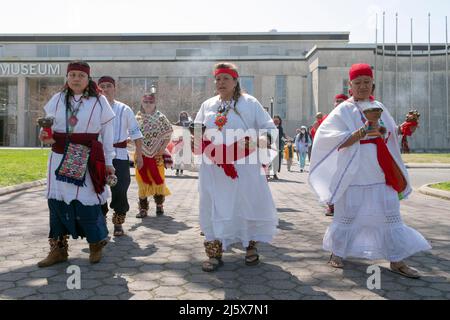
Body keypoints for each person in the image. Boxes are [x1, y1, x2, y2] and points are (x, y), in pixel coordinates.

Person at [309, 63, 431, 278]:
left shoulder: (379, 106)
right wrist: (362, 132)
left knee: (390, 215)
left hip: (380, 173)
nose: (363, 86)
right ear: (351, 85)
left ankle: (397, 260)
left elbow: (391, 134)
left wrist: (403, 128)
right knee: (347, 215)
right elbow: (326, 140)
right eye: (358, 83)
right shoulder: (343, 110)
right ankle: (337, 253)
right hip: (354, 174)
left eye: (367, 82)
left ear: (373, 83)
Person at [193, 62, 278, 272]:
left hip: (244, 165)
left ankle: (250, 246)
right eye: (218, 79)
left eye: (226, 79)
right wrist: (193, 136)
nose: (221, 83)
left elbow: (269, 128)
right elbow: (196, 131)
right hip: (214, 167)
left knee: (246, 202)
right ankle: (214, 252)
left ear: (235, 81)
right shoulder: (208, 105)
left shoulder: (250, 103)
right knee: (213, 203)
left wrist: (260, 140)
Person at [37, 61, 115, 267]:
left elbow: (107, 135)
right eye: (72, 75)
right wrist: (44, 136)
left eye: (81, 75)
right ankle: (58, 249)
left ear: (88, 78)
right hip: (58, 156)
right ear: (67, 77)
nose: (76, 79)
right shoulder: (57, 99)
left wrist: (109, 162)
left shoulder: (99, 101)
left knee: (86, 202)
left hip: (86, 156)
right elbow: (47, 129)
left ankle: (96, 245)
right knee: (57, 202)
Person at [98, 76, 144, 236]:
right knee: (97, 189)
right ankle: (100, 220)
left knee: (120, 188)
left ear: (114, 88)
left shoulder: (124, 109)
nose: (105, 89)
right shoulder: (92, 108)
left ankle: (118, 222)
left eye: (108, 86)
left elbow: (135, 133)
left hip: (120, 156)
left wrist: (139, 154)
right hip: (98, 156)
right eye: (102, 86)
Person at [135, 93, 173, 218]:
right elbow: (133, 136)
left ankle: (159, 205)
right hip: (140, 154)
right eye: (145, 102)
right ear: (142, 103)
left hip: (157, 154)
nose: (148, 104)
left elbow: (168, 134)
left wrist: (162, 149)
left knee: (158, 179)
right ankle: (143, 208)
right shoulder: (137, 118)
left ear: (155, 103)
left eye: (151, 102)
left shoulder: (160, 117)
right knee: (142, 180)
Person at [325, 93, 349, 217]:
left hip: (347, 154)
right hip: (332, 154)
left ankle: (343, 206)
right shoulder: (328, 118)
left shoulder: (351, 117)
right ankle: (331, 205)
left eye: (341, 101)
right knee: (331, 180)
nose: (338, 103)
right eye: (337, 100)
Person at [173, 111, 193, 176]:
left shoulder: (189, 122)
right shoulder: (179, 123)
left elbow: (191, 129)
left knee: (183, 157)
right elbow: (175, 128)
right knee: (178, 156)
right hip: (179, 142)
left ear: (186, 115)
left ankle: (181, 171)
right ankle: (177, 170)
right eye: (181, 115)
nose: (183, 116)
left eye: (184, 115)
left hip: (186, 141)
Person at [271, 115, 287, 180]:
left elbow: (281, 136)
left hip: (277, 147)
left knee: (276, 161)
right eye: (275, 120)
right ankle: (267, 174)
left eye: (277, 120)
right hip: (270, 146)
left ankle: (274, 174)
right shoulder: (270, 127)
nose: (276, 122)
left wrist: (285, 140)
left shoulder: (280, 128)